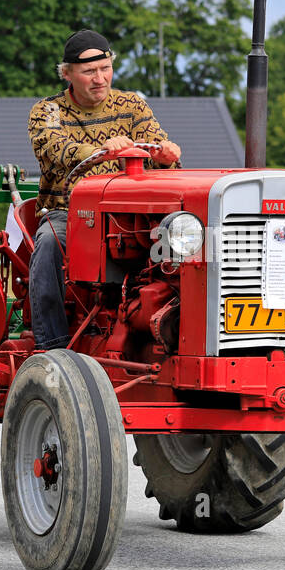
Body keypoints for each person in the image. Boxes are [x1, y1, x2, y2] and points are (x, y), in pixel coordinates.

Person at [27, 29, 182, 349]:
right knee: (48, 243)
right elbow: (55, 151)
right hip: (69, 212)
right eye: (89, 71)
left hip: (128, 214)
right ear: (67, 73)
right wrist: (99, 150)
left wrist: (166, 159)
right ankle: (52, 345)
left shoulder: (132, 105)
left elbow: (157, 151)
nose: (100, 78)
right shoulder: (48, 111)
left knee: (187, 246)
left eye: (105, 68)